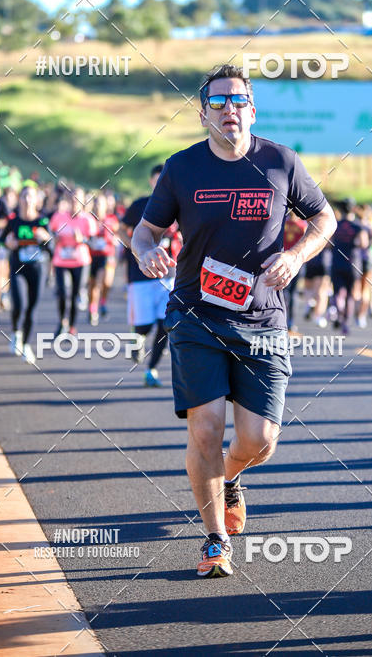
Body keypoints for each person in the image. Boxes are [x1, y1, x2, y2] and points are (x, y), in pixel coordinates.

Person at [130, 65, 337, 578]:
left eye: (238, 101)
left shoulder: (280, 162)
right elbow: (144, 233)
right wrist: (146, 252)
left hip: (262, 319)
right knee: (206, 427)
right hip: (195, 315)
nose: (229, 110)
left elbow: (324, 219)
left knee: (259, 440)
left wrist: (296, 255)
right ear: (203, 113)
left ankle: (229, 479)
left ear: (252, 109)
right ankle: (214, 541)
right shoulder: (181, 169)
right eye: (218, 102)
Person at [121, 165, 181, 386]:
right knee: (144, 325)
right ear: (151, 182)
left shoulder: (180, 202)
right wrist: (136, 249)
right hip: (142, 275)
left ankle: (152, 370)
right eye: (158, 180)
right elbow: (121, 228)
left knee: (166, 324)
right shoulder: (139, 205)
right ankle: (137, 338)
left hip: (170, 274)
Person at [0, 186, 52, 364]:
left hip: (37, 269)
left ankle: (27, 345)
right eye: (24, 197)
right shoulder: (13, 221)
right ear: (20, 200)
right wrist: (8, 243)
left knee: (32, 308)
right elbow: (3, 240)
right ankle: (16, 332)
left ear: (37, 200)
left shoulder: (43, 221)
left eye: (31, 197)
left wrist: (46, 239)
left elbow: (51, 248)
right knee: (19, 304)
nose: (28, 200)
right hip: (18, 268)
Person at [49, 190, 95, 337]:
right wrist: (54, 239)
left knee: (75, 294)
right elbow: (50, 232)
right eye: (73, 198)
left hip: (80, 261)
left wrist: (82, 239)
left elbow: (92, 241)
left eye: (78, 199)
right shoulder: (58, 216)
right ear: (68, 200)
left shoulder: (87, 219)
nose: (75, 201)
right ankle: (62, 321)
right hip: (61, 260)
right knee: (62, 293)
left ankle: (72, 326)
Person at [329, 199, 368, 335]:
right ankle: (346, 323)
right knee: (350, 295)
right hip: (353, 264)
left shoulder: (335, 225)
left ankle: (338, 312)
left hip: (336, 262)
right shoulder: (358, 226)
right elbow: (364, 243)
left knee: (338, 292)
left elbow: (328, 243)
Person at [88, 193, 119, 325]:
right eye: (95, 203)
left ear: (106, 206)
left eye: (100, 204)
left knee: (106, 282)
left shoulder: (111, 220)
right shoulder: (89, 219)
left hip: (107, 255)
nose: (97, 206)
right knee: (93, 284)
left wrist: (115, 239)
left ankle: (103, 302)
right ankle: (93, 309)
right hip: (92, 256)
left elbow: (118, 234)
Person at [282, 211, 307, 333]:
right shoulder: (302, 225)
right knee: (292, 293)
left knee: (283, 292)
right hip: (296, 261)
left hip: (283, 259)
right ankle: (290, 321)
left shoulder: (283, 223)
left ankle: (285, 320)